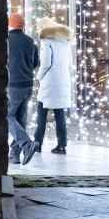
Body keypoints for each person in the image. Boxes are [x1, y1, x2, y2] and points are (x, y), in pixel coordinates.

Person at [34, 16, 74, 154]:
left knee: (41, 112)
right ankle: (62, 145)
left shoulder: (46, 41)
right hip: (63, 79)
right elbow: (69, 63)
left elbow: (45, 63)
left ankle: (37, 144)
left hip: (50, 80)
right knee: (59, 113)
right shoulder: (65, 42)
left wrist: (38, 77)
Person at [6, 13, 39, 165]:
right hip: (27, 86)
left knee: (7, 116)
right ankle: (14, 154)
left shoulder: (7, 41)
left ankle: (26, 144)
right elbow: (35, 64)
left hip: (12, 85)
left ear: (10, 24)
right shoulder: (30, 41)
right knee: (20, 119)